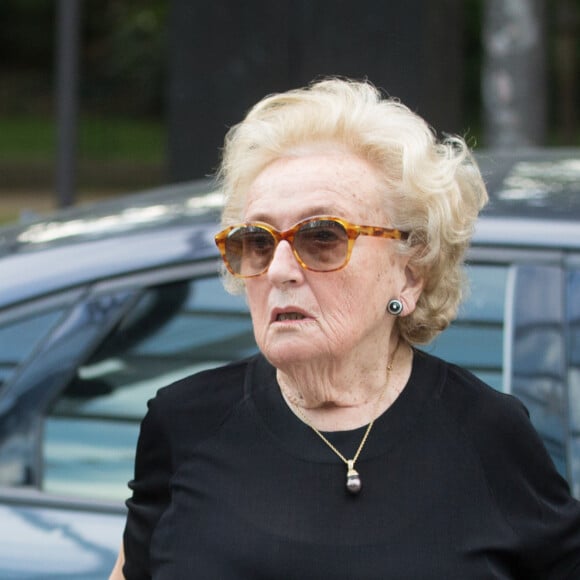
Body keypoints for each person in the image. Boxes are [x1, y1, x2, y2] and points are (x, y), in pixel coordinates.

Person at [111, 78, 580, 579]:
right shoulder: (183, 422)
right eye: (259, 241)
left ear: (410, 272)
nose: (280, 270)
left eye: (322, 237)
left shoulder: (489, 434)